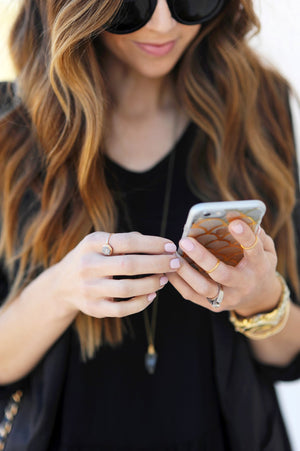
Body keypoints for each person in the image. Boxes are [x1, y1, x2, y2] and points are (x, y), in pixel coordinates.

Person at [0, 0, 300, 450]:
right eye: (133, 3)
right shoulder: (11, 126)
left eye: (190, 0)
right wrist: (62, 289)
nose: (163, 25)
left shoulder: (258, 106)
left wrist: (260, 297)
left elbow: (290, 354)